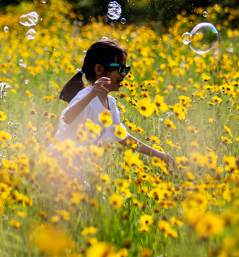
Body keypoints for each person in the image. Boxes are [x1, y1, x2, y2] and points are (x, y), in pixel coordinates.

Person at [50, 40, 175, 180]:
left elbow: (123, 137)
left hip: (77, 168)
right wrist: (92, 94)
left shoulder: (111, 103)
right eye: (120, 69)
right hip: (58, 163)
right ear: (99, 70)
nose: (124, 74)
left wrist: (157, 154)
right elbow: (67, 117)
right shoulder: (86, 96)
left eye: (126, 69)